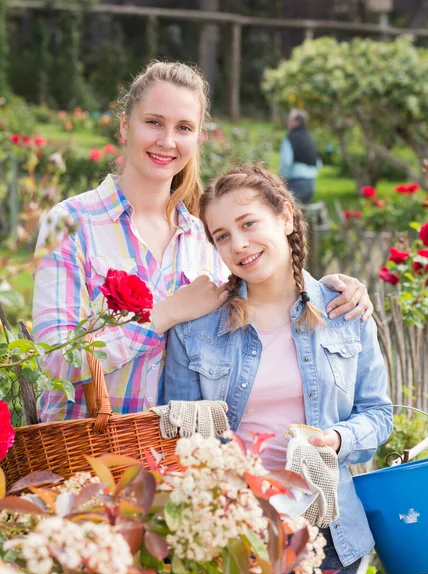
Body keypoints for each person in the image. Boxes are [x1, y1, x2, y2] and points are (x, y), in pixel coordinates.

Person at [33, 60, 372, 423]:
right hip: (82, 458)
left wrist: (335, 290)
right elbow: (55, 362)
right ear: (124, 125)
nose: (167, 141)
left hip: (175, 465)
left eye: (183, 128)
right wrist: (165, 314)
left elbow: (268, 293)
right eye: (153, 122)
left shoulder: (205, 240)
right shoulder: (73, 224)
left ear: (198, 138)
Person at [162, 164, 393, 574]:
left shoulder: (345, 313)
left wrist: (336, 440)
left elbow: (379, 416)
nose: (239, 244)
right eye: (223, 235)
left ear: (285, 217)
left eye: (249, 224)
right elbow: (176, 435)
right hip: (234, 535)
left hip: (328, 534)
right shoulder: (195, 329)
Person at [279, 108, 321, 205]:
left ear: (297, 122)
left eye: (289, 119)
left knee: (286, 212)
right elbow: (318, 163)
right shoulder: (309, 138)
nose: (287, 121)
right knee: (301, 216)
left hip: (296, 184)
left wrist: (281, 179)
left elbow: (286, 162)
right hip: (311, 184)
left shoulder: (290, 138)